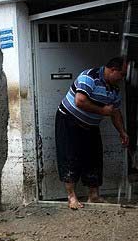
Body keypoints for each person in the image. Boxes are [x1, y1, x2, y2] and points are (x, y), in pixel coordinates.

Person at [55, 56, 129, 210]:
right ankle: (71, 197)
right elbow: (80, 101)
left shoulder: (114, 89)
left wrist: (122, 132)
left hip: (91, 124)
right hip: (69, 120)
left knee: (94, 157)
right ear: (113, 70)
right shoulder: (89, 77)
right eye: (122, 74)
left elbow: (115, 112)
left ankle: (93, 195)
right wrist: (102, 110)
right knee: (70, 156)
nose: (122, 78)